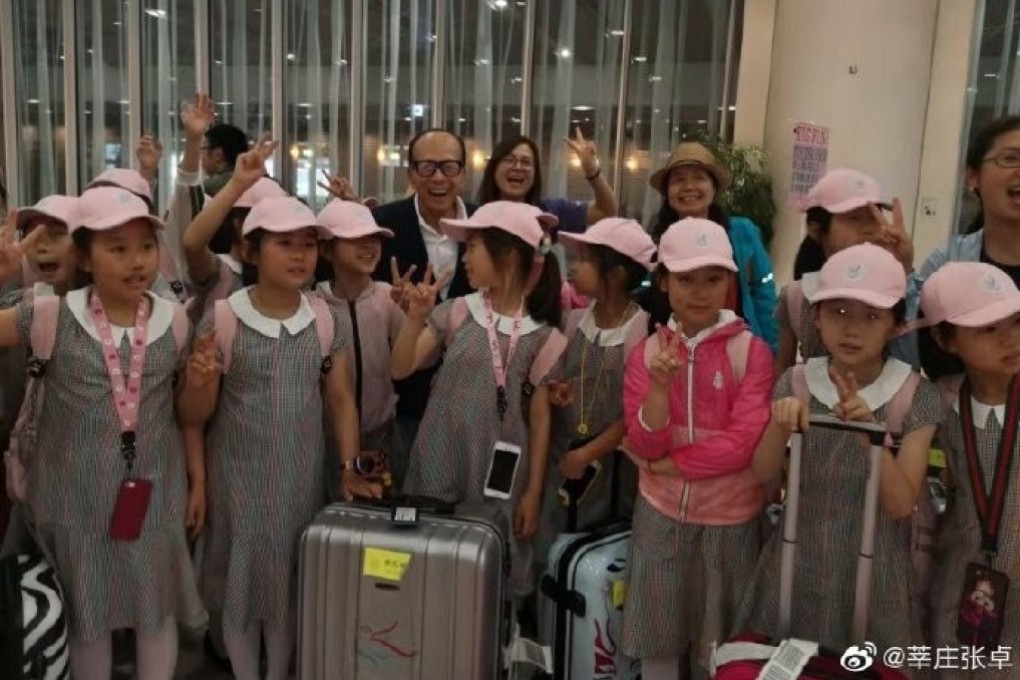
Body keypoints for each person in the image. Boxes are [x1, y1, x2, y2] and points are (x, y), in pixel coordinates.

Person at [177, 142, 374, 680]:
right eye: (284, 244)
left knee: (289, 588)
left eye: (308, 244)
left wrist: (349, 468)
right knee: (240, 590)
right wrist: (198, 481)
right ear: (250, 251)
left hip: (301, 481)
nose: (299, 256)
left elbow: (341, 400)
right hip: (237, 482)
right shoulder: (224, 318)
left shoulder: (323, 318)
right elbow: (194, 414)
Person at [0, 186, 200, 680]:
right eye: (117, 248)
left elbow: (187, 413)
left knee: (155, 613)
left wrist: (200, 477)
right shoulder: (49, 316)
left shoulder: (174, 321)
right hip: (74, 502)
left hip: (153, 495)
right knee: (88, 621)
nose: (137, 261)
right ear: (85, 257)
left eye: (146, 246)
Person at [736, 243, 939, 652]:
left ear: (896, 325)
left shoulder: (917, 394)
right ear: (817, 317)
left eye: (871, 316)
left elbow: (901, 504)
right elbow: (761, 474)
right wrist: (780, 425)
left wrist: (871, 432)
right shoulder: (795, 381)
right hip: (798, 559)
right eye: (839, 312)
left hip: (876, 569)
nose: (852, 329)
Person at [619, 218, 773, 680]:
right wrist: (660, 390)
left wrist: (672, 465)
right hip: (660, 516)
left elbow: (743, 443)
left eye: (713, 278)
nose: (701, 291)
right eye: (686, 279)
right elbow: (642, 440)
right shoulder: (646, 353)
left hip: (730, 522)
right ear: (664, 281)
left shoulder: (752, 352)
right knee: (658, 644)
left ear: (729, 281)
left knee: (722, 652)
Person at [392, 201, 566, 598]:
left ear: (506, 253)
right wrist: (416, 318)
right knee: (431, 562)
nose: (465, 257)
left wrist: (534, 492)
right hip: (440, 456)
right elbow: (400, 369)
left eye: (473, 247)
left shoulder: (545, 337)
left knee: (488, 571)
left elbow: (540, 421)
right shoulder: (456, 312)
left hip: (502, 469)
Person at [533, 217, 652, 579]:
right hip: (564, 458)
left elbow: (636, 413)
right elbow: (561, 377)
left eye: (584, 259)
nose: (573, 267)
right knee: (553, 546)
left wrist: (588, 453)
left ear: (614, 275)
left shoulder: (641, 331)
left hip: (609, 467)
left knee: (599, 553)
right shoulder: (575, 320)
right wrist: (559, 392)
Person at [919, 262, 1020, 669]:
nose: (1010, 339)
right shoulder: (938, 402)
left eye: (1015, 322)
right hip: (961, 577)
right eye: (988, 329)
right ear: (946, 339)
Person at [372, 128, 477, 480]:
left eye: (449, 167)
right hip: (403, 396)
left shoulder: (482, 226)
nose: (438, 178)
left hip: (470, 400)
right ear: (411, 173)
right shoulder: (383, 224)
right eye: (427, 167)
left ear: (463, 173)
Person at [775, 169, 915, 376]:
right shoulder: (796, 296)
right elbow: (781, 370)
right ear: (816, 229)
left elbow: (912, 360)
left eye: (874, 217)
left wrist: (903, 269)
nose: (870, 229)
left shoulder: (899, 288)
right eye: (855, 218)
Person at [642, 142, 778, 353]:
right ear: (667, 192)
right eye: (679, 180)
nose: (689, 187)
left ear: (714, 189)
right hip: (675, 348)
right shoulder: (658, 240)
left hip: (736, 347)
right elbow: (648, 294)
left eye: (699, 178)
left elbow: (763, 289)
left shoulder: (742, 232)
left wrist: (771, 348)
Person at [315, 199, 406, 492]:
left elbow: (419, 362)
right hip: (325, 437)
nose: (369, 246)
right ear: (326, 249)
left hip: (382, 435)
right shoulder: (313, 304)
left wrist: (413, 314)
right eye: (356, 238)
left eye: (373, 238)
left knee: (376, 511)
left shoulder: (386, 298)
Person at [476, 131, 618, 234]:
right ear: (493, 169)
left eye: (526, 162)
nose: (518, 167)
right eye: (509, 160)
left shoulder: (548, 213)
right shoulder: (475, 216)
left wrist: (592, 172)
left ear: (535, 174)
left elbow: (606, 212)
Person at [200, 123, 250, 199]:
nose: (200, 155)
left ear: (218, 155)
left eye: (202, 148)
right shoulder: (253, 181)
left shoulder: (207, 189)